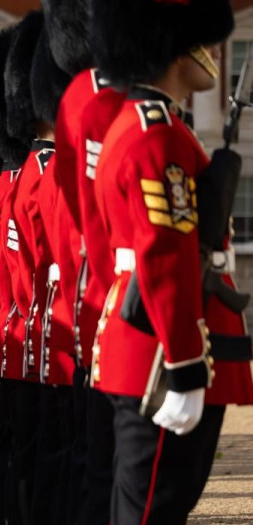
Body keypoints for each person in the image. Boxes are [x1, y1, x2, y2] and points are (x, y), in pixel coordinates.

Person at [90, 0, 253, 522]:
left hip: (155, 343)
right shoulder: (154, 135)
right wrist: (184, 364)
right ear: (172, 47)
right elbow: (163, 254)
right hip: (161, 353)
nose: (209, 54)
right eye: (201, 42)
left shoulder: (156, 127)